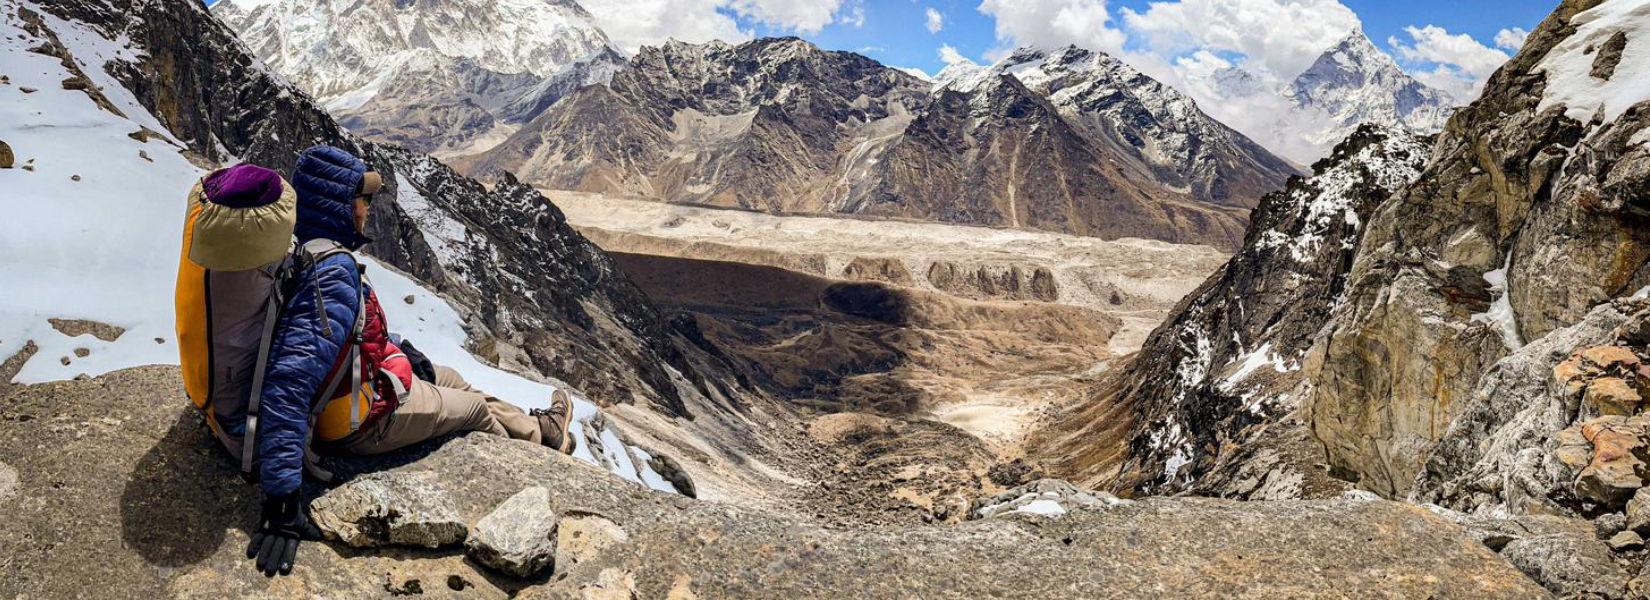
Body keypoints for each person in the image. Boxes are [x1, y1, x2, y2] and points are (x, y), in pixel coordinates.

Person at [245, 145, 577, 577]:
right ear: (340, 207)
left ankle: (542, 433)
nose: (365, 208)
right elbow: (288, 384)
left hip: (359, 384)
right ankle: (531, 461)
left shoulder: (309, 252)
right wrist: (282, 501)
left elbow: (338, 341)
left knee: (451, 377)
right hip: (359, 421)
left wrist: (399, 350)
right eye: (359, 199)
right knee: (472, 409)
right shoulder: (333, 274)